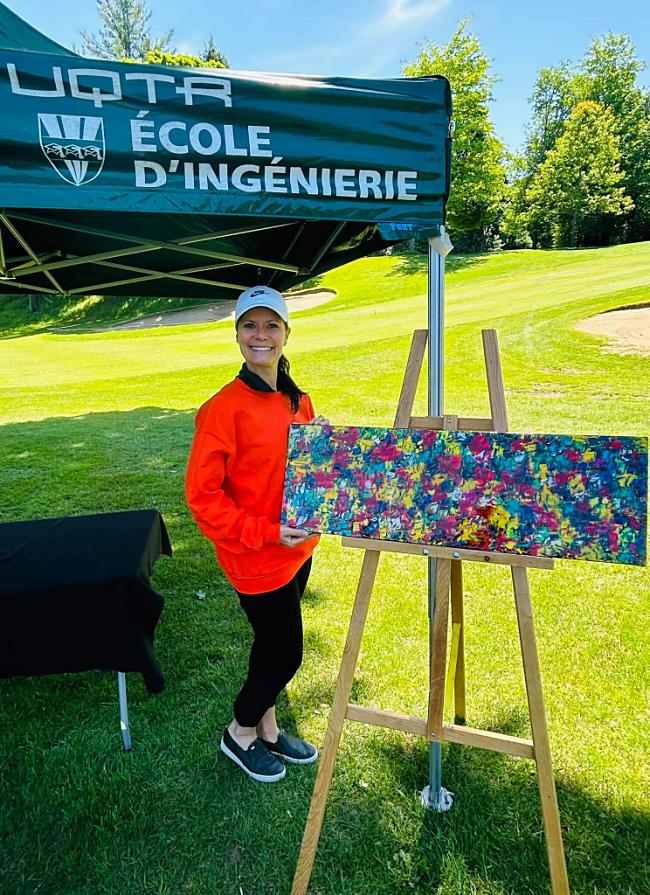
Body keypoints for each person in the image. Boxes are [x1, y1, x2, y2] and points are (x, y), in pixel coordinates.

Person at [185, 284, 323, 783]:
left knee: (269, 646)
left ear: (286, 333)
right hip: (256, 556)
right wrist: (265, 531)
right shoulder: (222, 409)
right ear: (237, 334)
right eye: (250, 325)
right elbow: (203, 499)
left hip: (298, 550)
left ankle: (268, 729)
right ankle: (239, 731)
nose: (260, 335)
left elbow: (304, 467)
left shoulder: (296, 398)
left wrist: (324, 443)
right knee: (286, 653)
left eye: (271, 325)